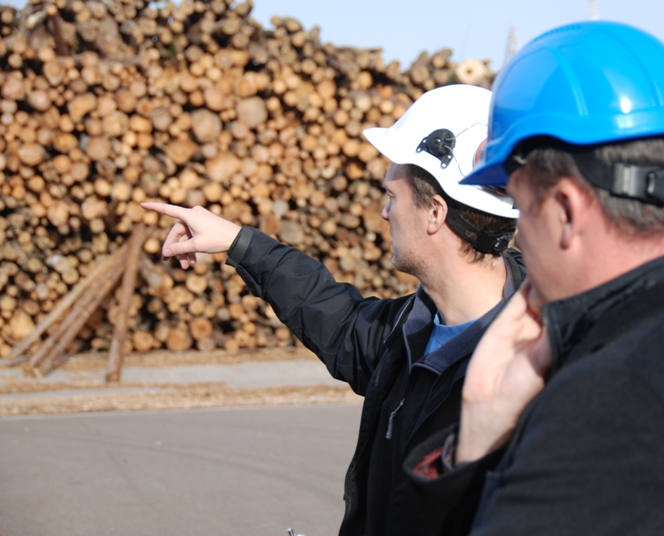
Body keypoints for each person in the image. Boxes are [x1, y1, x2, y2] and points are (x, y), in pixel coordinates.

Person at [404, 21, 664, 535]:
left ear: (566, 211)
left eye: (521, 206)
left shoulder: (610, 399)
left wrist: (476, 439)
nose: (521, 238)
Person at [142, 84, 525, 536]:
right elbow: (341, 321)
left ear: (435, 213)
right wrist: (239, 241)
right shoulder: (412, 329)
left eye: (393, 196)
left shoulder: (531, 370)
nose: (384, 212)